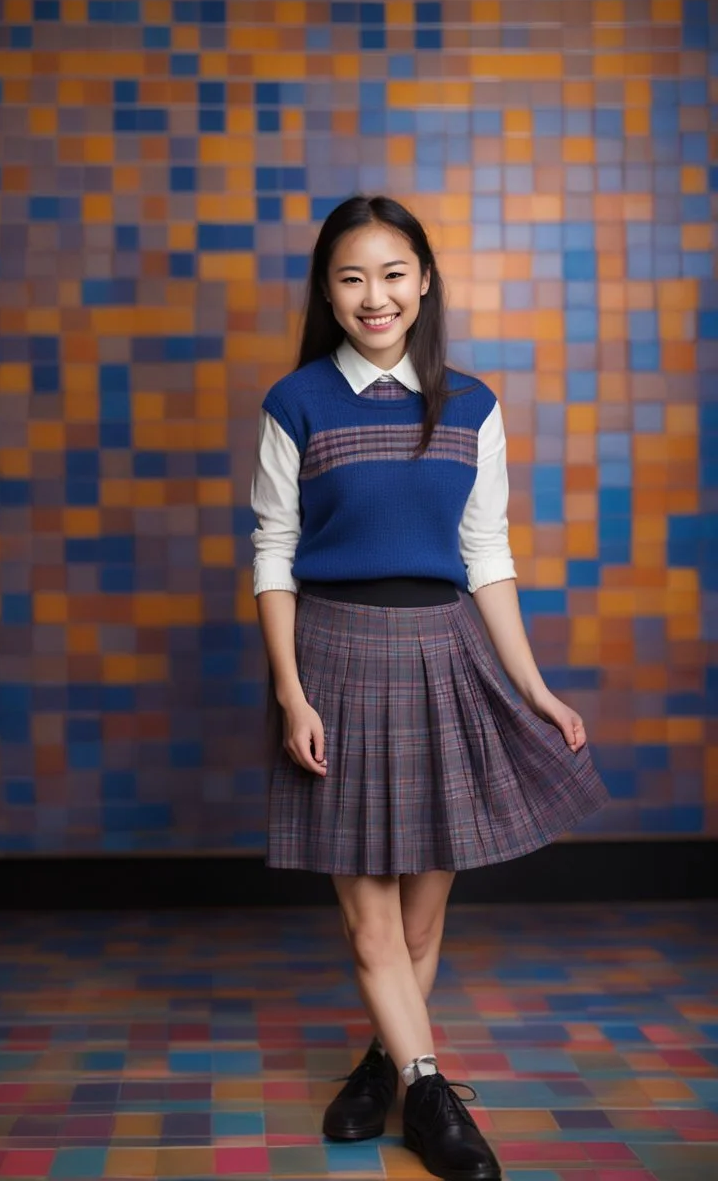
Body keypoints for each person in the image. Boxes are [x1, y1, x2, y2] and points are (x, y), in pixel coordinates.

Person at [250, 194, 608, 1181]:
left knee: (419, 920)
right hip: (332, 657)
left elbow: (484, 551)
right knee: (369, 919)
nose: (375, 295)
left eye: (393, 273)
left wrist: (532, 686)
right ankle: (434, 1099)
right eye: (351, 276)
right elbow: (273, 554)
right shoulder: (296, 402)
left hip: (444, 654)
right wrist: (290, 692)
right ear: (327, 290)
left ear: (423, 282)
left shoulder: (473, 405)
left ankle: (381, 1068)